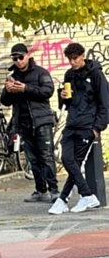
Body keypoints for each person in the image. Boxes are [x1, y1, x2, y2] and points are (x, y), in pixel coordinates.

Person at [49, 43, 108, 215]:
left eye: (75, 58)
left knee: (74, 163)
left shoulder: (96, 74)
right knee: (68, 160)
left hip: (88, 126)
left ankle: (62, 200)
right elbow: (68, 103)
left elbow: (105, 103)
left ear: (83, 56)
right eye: (69, 59)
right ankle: (87, 195)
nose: (72, 62)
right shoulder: (69, 75)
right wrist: (63, 98)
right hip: (72, 123)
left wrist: (97, 127)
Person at [0, 44, 59, 203]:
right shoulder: (13, 76)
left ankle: (54, 190)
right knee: (32, 159)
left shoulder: (41, 73)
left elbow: (47, 91)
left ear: (27, 56)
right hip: (23, 122)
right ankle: (40, 190)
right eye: (15, 58)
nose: (18, 61)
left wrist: (25, 88)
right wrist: (8, 90)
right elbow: (4, 102)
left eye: (21, 57)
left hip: (41, 121)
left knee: (46, 156)